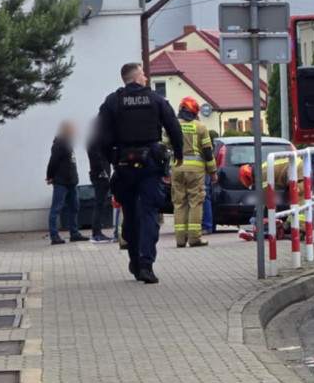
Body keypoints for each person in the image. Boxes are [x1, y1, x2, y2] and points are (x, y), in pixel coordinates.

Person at [95, 62, 183, 284]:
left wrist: (111, 160)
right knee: (149, 213)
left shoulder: (112, 101)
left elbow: (102, 137)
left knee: (130, 214)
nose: (145, 78)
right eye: (143, 75)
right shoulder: (155, 99)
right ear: (136, 78)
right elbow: (173, 126)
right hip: (150, 164)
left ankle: (135, 261)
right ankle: (146, 264)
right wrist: (179, 153)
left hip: (123, 164)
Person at [169, 97, 217, 248]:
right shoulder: (201, 127)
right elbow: (207, 152)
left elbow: (162, 147)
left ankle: (180, 239)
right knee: (195, 203)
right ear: (195, 111)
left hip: (177, 168)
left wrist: (164, 170)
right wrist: (213, 171)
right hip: (196, 171)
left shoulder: (171, 125)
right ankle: (195, 238)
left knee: (179, 203)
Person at [46, 120, 85, 245]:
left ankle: (74, 233)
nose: (73, 132)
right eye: (70, 130)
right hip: (61, 182)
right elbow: (53, 161)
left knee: (74, 207)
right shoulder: (59, 144)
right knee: (56, 208)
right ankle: (54, 235)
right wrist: (50, 176)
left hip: (71, 182)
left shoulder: (68, 144)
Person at [85, 118, 114, 242]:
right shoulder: (97, 142)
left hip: (99, 175)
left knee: (101, 204)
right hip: (100, 176)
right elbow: (98, 159)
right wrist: (105, 172)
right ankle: (96, 233)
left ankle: (97, 231)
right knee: (100, 204)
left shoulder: (94, 141)